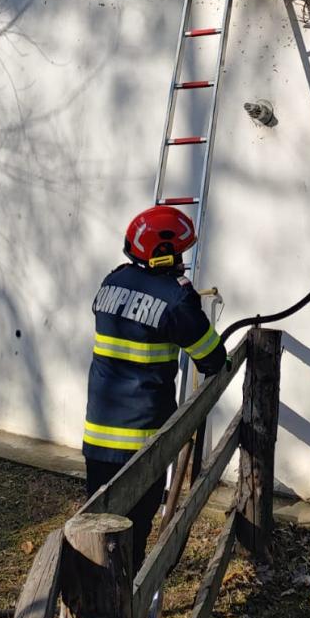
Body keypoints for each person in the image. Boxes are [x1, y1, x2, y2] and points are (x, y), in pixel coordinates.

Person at [82, 204, 227, 569]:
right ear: (162, 253)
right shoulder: (174, 300)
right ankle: (128, 601)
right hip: (142, 445)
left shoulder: (110, 283)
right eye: (177, 253)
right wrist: (189, 300)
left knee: (97, 534)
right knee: (131, 538)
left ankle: (94, 599)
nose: (181, 261)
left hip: (98, 441)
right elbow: (212, 358)